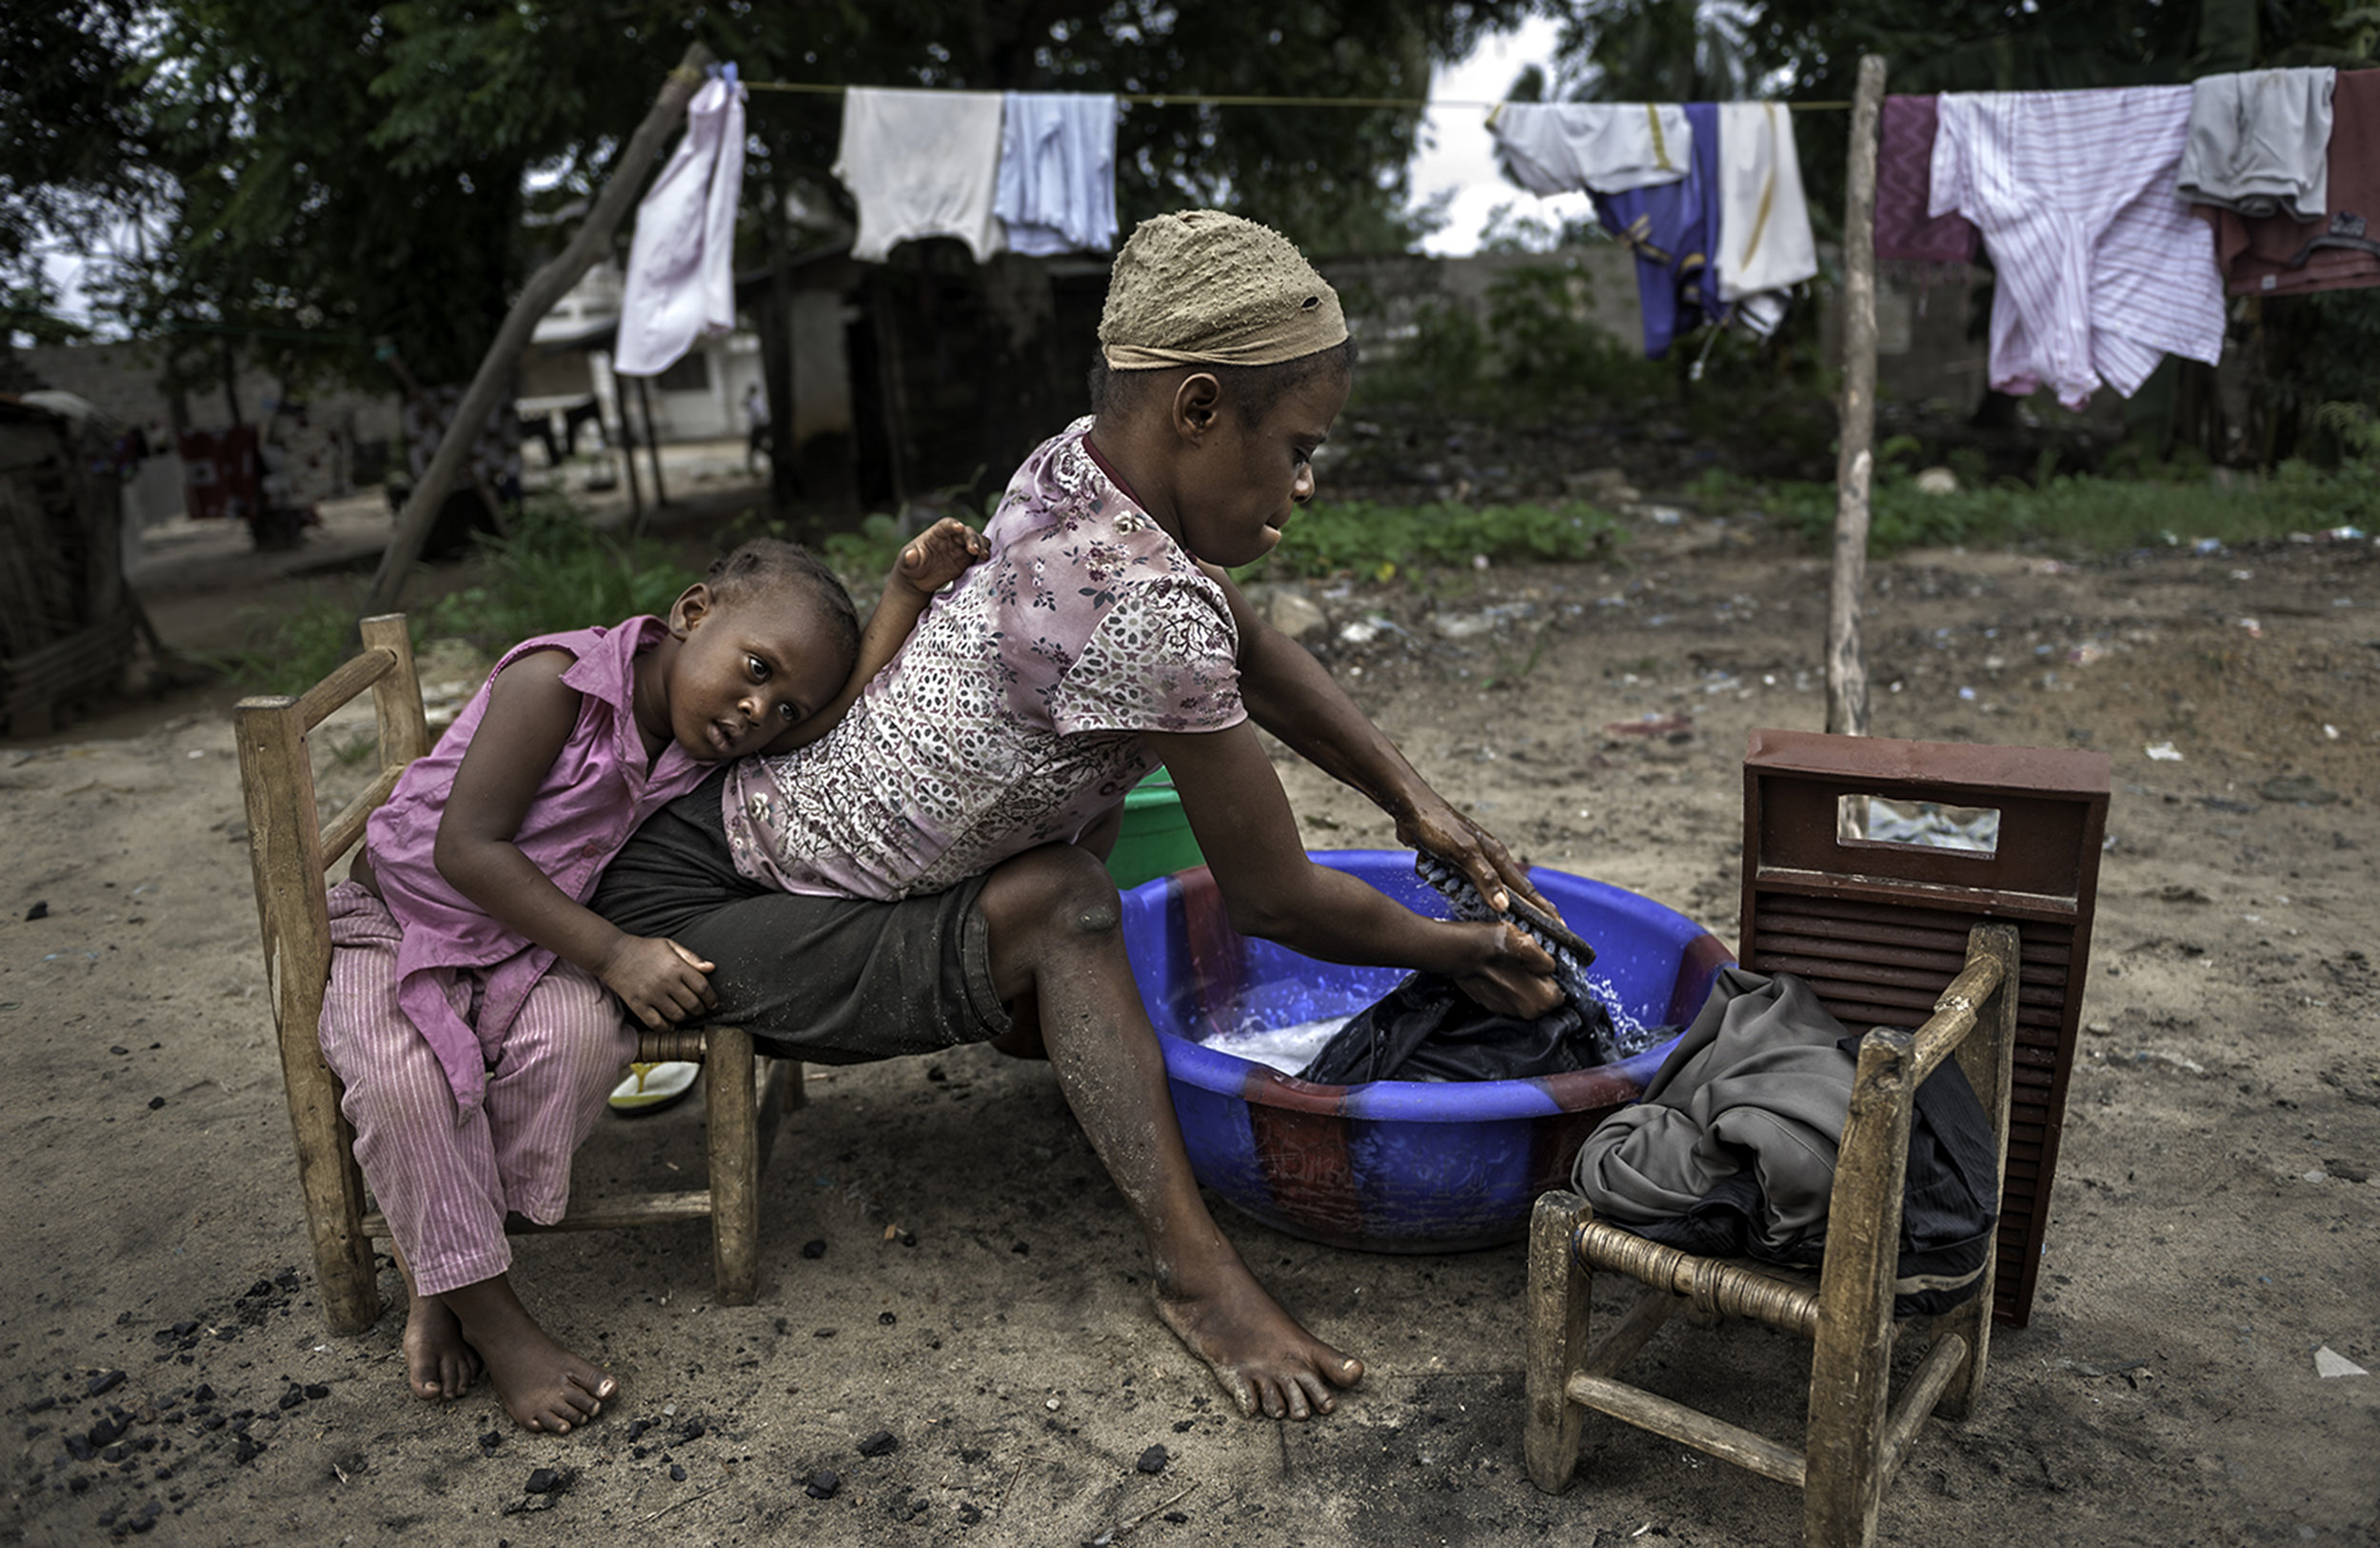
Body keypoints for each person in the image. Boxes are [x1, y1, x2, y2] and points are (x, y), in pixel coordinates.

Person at [591, 209, 1564, 1423]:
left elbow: (1245, 643)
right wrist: (1457, 948)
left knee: (1073, 846)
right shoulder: (1138, 609)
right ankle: (1197, 1275)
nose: (1305, 483)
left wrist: (1422, 807)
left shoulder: (1076, 465)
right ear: (1198, 411)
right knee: (1069, 906)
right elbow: (1271, 897)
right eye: (1301, 447)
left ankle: (1028, 1021)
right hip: (709, 916)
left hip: (752, 839)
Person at [320, 522, 988, 1434]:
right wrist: (615, 953)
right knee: (400, 1083)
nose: (761, 712)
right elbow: (466, 849)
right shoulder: (553, 685)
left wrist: (905, 595)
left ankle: (446, 1271)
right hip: (400, 927)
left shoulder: (701, 736)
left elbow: (832, 712)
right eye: (755, 669)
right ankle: (494, 1317)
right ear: (692, 612)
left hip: (520, 949)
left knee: (585, 1040)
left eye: (781, 709)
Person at [744, 382, 770, 473]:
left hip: (759, 427)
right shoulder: (755, 400)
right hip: (761, 426)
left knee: (754, 447)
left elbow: (761, 415)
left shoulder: (756, 401)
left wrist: (761, 426)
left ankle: (751, 469)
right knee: (756, 447)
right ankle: (752, 468)